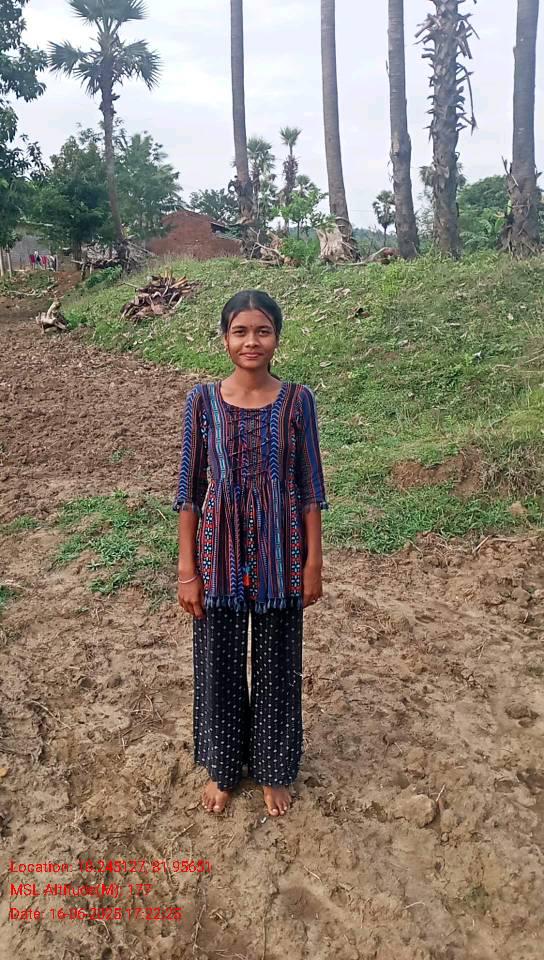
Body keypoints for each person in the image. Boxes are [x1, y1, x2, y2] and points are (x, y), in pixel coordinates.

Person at [174, 290, 328, 817]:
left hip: (280, 558)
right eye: (240, 331)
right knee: (217, 666)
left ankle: (273, 769)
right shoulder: (202, 401)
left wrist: (313, 563)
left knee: (278, 666)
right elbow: (189, 490)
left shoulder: (298, 401)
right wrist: (187, 568)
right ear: (225, 338)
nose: (251, 342)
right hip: (216, 558)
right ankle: (223, 768)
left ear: (277, 338)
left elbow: (310, 488)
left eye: (262, 331)